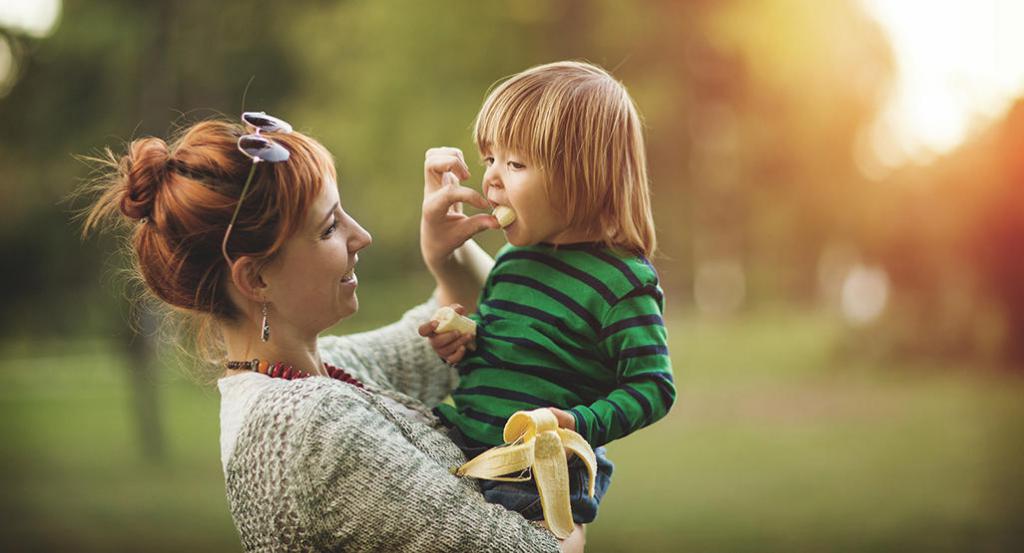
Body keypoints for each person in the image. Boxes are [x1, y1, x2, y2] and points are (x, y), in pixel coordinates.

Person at [79, 112, 585, 552]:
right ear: (255, 278)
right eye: (328, 228)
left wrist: (444, 251)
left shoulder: (319, 374)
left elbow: (465, 324)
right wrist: (571, 471)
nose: (360, 235)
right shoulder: (308, 428)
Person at [420, 61, 676, 525]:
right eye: (490, 159)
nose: (493, 178)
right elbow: (510, 356)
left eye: (515, 163)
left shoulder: (623, 282)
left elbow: (653, 387)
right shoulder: (514, 264)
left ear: (583, 176)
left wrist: (577, 423)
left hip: (539, 473)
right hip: (468, 439)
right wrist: (465, 342)